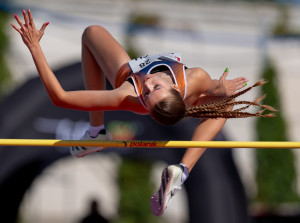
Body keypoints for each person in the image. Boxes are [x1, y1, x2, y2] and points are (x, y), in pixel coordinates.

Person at [12, 10, 275, 216]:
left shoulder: (130, 95)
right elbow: (217, 85)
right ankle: (182, 171)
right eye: (154, 88)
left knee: (91, 32)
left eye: (149, 94)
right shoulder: (196, 78)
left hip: (130, 75)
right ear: (174, 87)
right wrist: (223, 86)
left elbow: (61, 97)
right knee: (225, 102)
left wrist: (35, 47)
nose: (148, 85)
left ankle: (97, 132)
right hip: (180, 98)